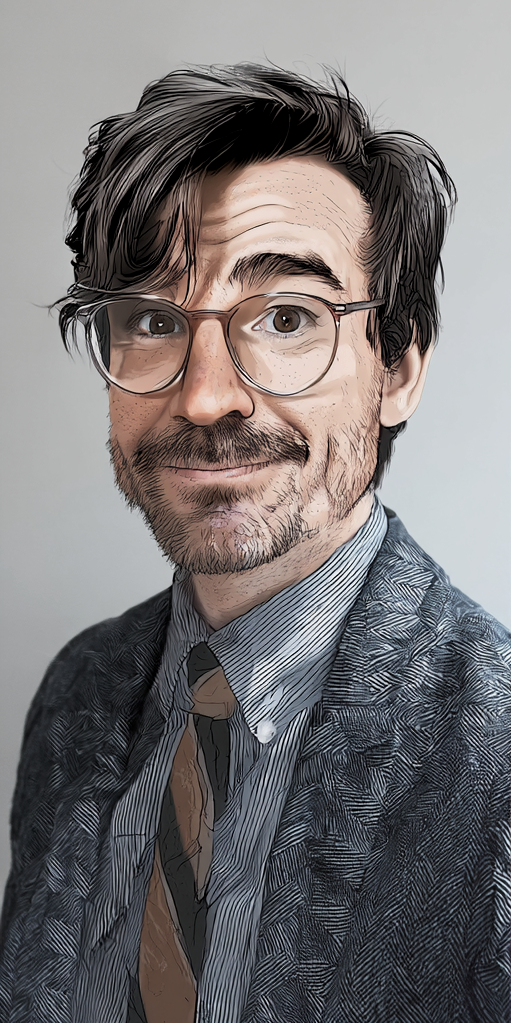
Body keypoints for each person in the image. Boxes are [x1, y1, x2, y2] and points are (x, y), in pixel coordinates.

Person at [0, 64, 509, 1023]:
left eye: (284, 318)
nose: (203, 395)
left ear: (396, 366)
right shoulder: (82, 692)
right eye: (152, 319)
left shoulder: (494, 755)